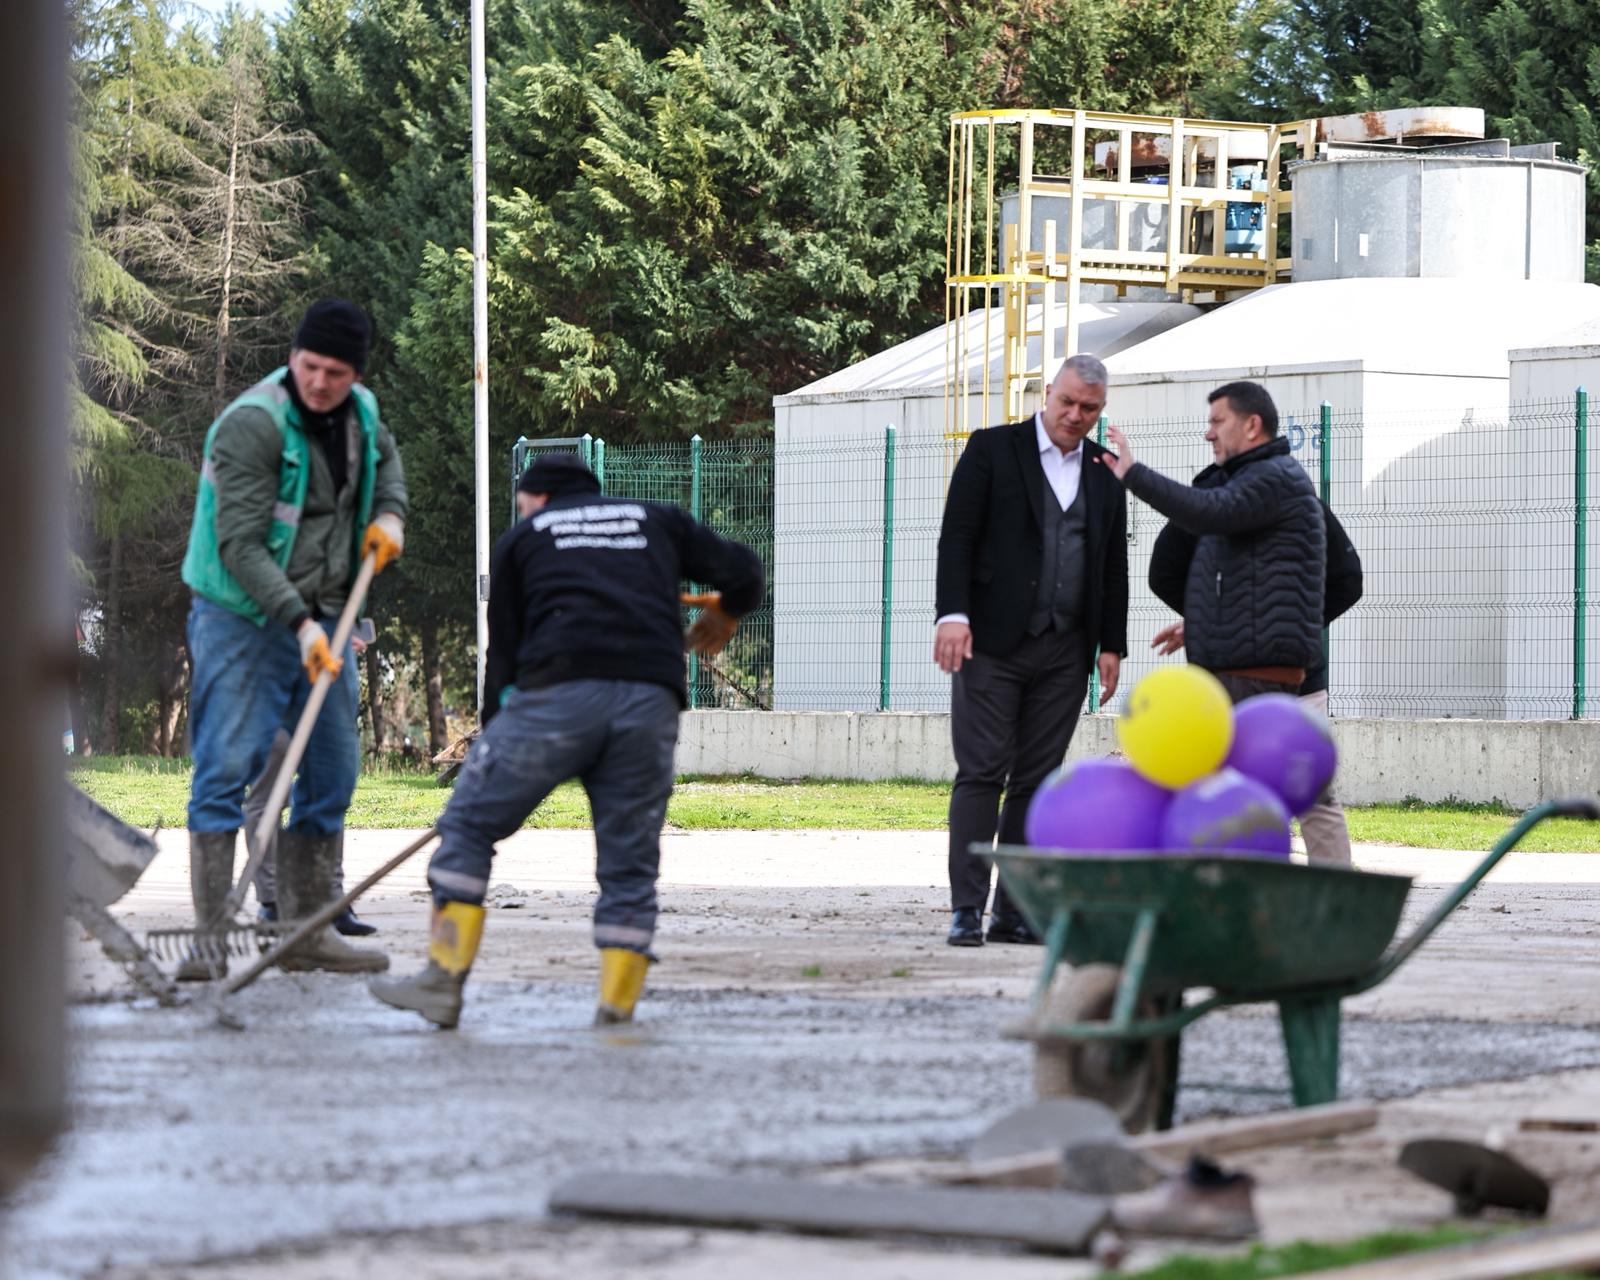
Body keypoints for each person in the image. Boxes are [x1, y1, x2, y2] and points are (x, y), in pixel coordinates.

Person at [370, 453, 764, 1030]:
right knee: (630, 861)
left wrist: (490, 735)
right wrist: (729, 611)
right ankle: (617, 1005)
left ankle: (442, 980)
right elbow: (746, 572)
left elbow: (503, 654)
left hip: (557, 697)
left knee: (470, 825)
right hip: (649, 700)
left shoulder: (525, 536)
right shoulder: (656, 519)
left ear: (539, 500)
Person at [180, 298, 407, 980]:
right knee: (226, 767)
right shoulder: (252, 425)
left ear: (355, 375)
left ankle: (304, 931)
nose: (320, 383)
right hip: (240, 619)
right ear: (292, 360)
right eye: (310, 367)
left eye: (336, 373)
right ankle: (209, 942)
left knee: (333, 768)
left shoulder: (361, 415)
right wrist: (302, 625)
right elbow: (242, 548)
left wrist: (390, 514)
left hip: (325, 610)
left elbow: (389, 463)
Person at [933, 353, 1129, 948]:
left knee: (1039, 781)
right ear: (1047, 393)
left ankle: (1013, 910)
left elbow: (1112, 561)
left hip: (1066, 648)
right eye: (1067, 402)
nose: (1075, 415)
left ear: (1100, 410)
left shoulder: (1104, 468)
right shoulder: (992, 449)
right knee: (982, 772)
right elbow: (957, 537)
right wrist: (953, 613)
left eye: (1089, 408)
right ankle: (966, 908)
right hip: (989, 640)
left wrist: (1111, 644)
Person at [1147, 458, 1363, 863]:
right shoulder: (1212, 501)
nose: (1213, 436)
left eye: (1219, 424)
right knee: (1242, 791)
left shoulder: (1294, 501)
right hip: (1224, 680)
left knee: (1308, 790)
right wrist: (1212, 621)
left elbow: (1347, 578)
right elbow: (1163, 572)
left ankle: (1331, 895)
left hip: (1292, 678)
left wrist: (1285, 626)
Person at [1100, 380, 1324, 711]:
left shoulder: (1273, 477)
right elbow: (1252, 583)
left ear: (1252, 425)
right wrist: (1206, 625)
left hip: (1253, 677)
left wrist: (1133, 474)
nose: (1209, 434)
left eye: (1217, 422)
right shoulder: (1256, 480)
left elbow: (1207, 511)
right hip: (1240, 672)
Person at [247, 624, 380, 936]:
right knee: (267, 796)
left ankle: (329, 900)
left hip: (323, 686)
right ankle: (272, 901)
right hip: (273, 680)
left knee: (328, 789)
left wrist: (341, 639)